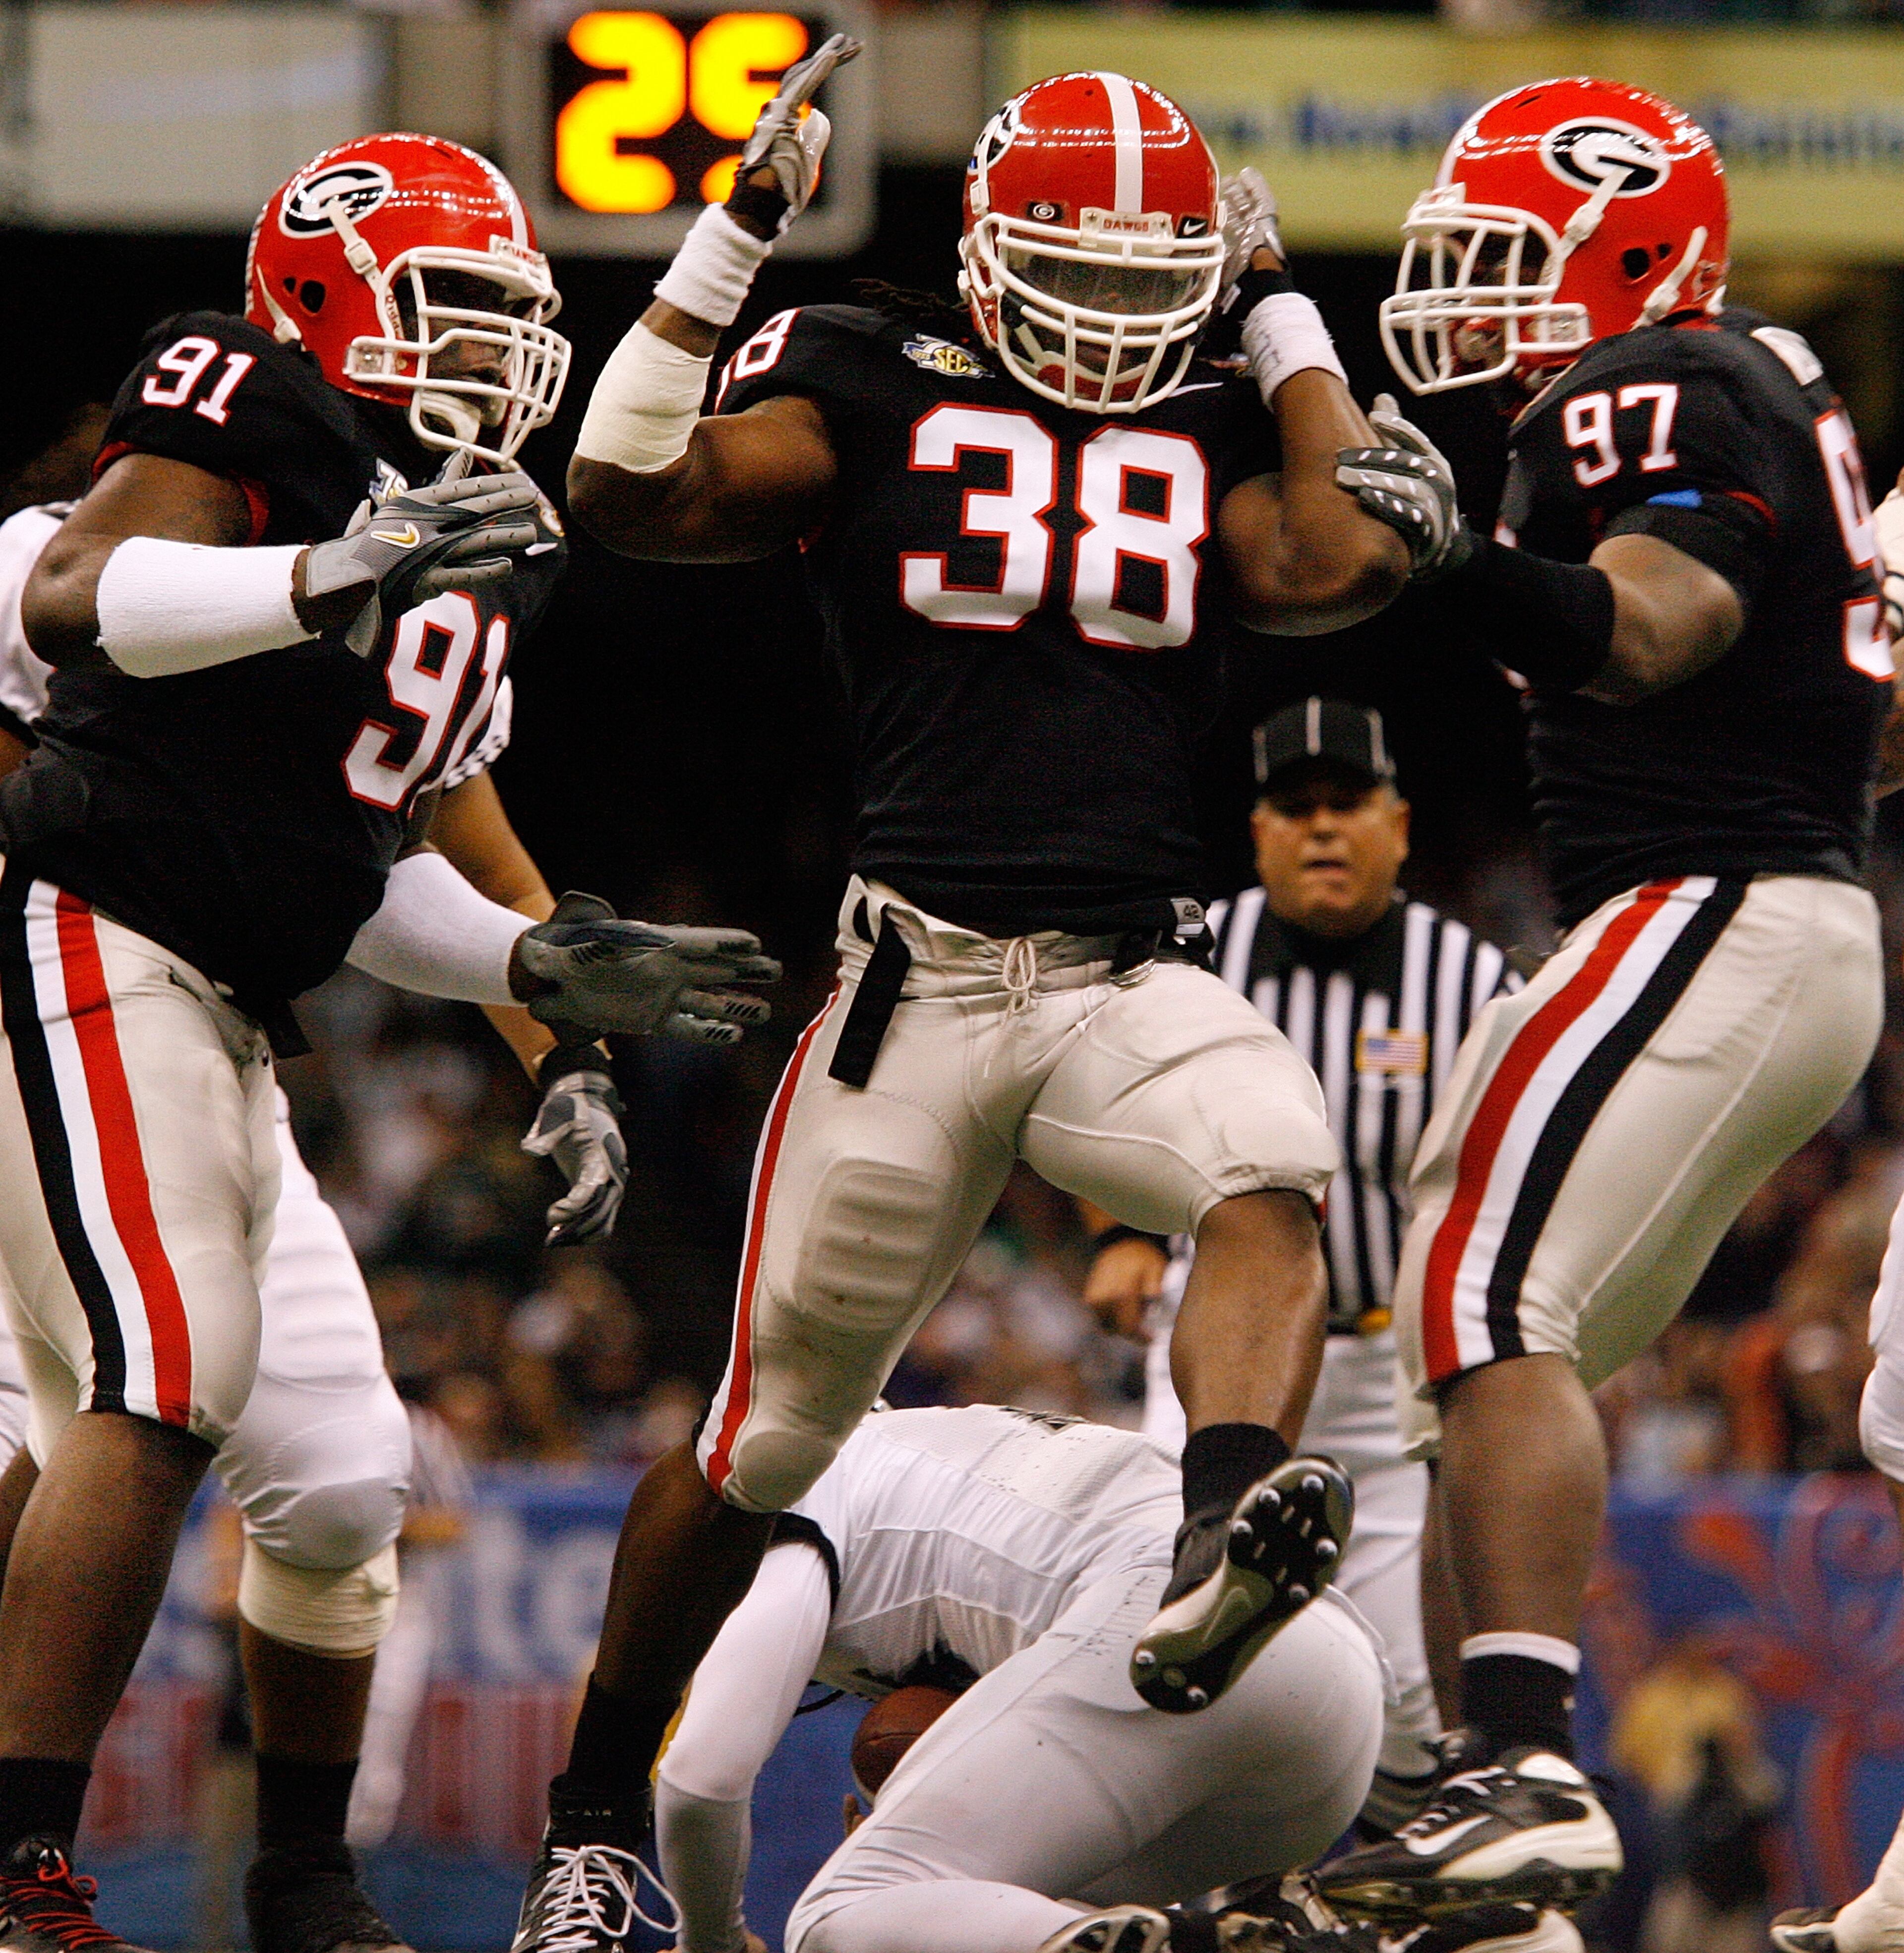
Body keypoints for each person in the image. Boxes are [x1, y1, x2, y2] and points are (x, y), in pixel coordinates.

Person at [521, 44, 1417, 1947]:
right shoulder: (868, 366)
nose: (1107, 325)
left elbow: (1333, 555)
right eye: (1071, 281)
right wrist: (728, 236)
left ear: (1196, 274)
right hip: (910, 990)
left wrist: (1272, 314)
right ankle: (594, 1806)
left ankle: (1217, 1539)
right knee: (760, 1438)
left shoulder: (1202, 408)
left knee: (1271, 1156)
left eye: (1149, 284)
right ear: (987, 256)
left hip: (1120, 971)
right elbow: (623, 490)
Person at [0, 133, 777, 1953]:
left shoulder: (456, 551)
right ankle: (23, 1868)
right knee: (140, 1380)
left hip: (215, 1009)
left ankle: (298, 1875)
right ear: (327, 304)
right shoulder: (199, 447)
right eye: (455, 311)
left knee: (347, 1475)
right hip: (66, 962)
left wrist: (547, 993)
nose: (492, 354)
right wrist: (338, 558)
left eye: (515, 318)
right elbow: (75, 605)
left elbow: (379, 848)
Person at [1309, 79, 1889, 1922]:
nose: (1471, 299)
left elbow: (1655, 624)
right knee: (1450, 1366)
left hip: (1717, 899)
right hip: (1743, 903)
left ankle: (1526, 1766)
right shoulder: (1731, 390)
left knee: (1489, 1286)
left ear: (1634, 255)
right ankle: (1475, 1835)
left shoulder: (1676, 377)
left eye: (1507, 262)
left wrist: (1473, 561)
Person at [1083, 697, 1519, 1834]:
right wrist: (1119, 1233)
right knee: (1164, 1613)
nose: (1324, 829)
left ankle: (1351, 1901)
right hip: (1218, 1353)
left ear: (1401, 824)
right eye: (1297, 806)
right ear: (1261, 829)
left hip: (1383, 1373)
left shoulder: (1470, 979)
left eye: (1349, 804)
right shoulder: (1195, 954)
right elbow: (1083, 1076)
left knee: (1406, 1709)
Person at [655, 1402, 1389, 1953]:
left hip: (1169, 1633)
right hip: (1331, 1712)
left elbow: (700, 1778)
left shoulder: (803, 1473)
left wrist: (711, 1939)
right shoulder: (938, 1445)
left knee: (844, 1913)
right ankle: (1318, 1930)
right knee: (968, 1916)